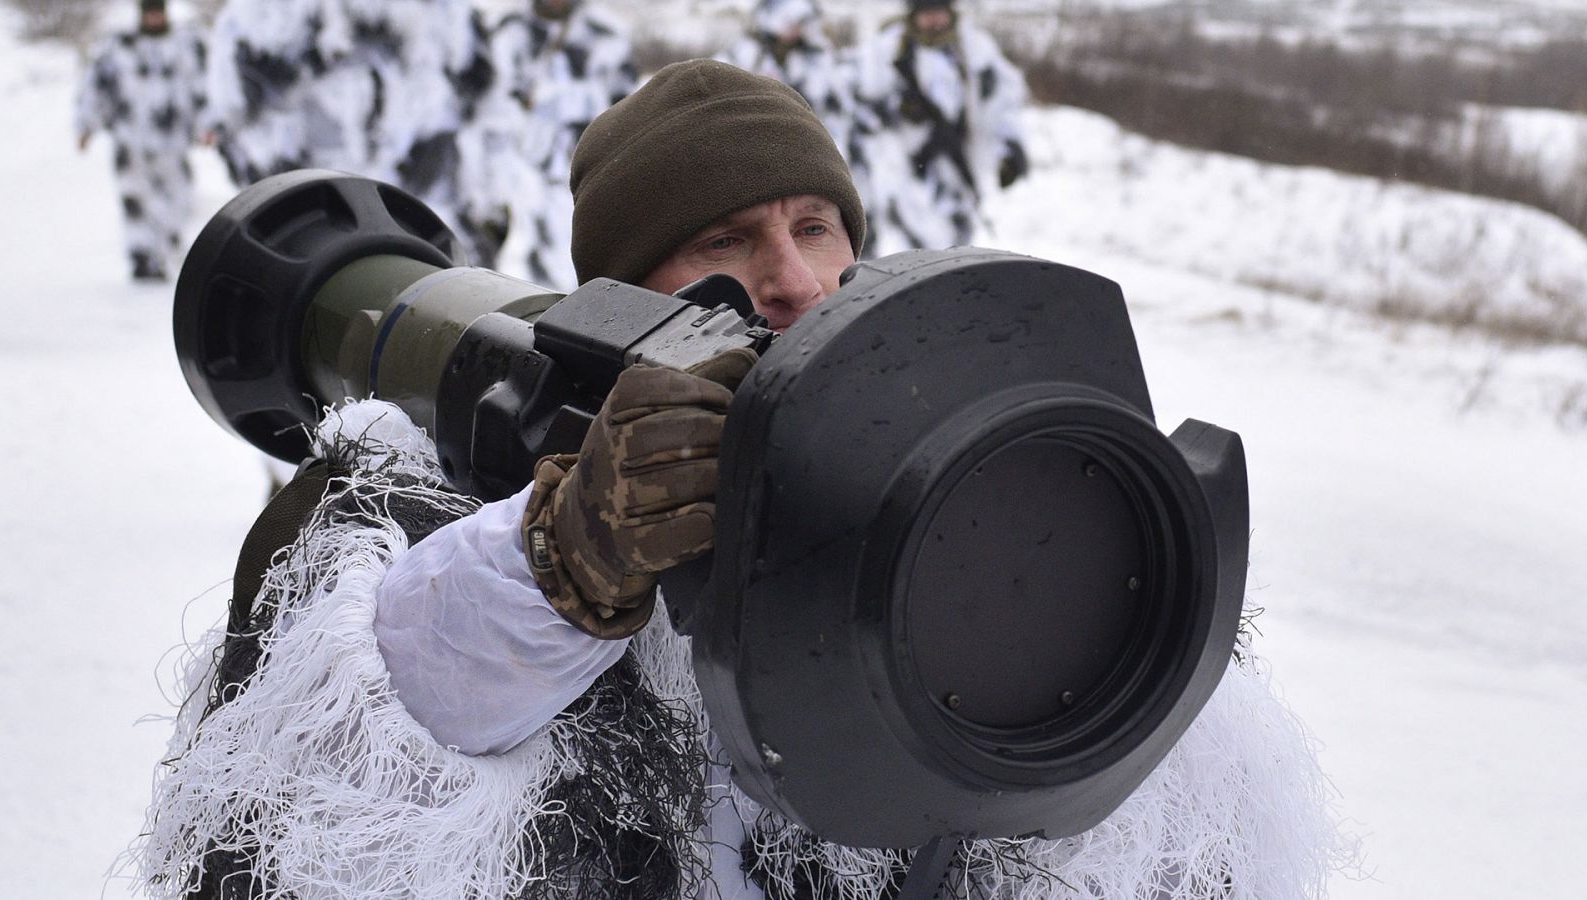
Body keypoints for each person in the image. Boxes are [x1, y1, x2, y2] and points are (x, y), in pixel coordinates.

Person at [134, 61, 1342, 900]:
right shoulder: (461, 516)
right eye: (720, 243)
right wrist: (571, 560)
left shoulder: (931, 464)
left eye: (815, 225)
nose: (792, 278)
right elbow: (371, 763)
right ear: (619, 298)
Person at [201, 0, 495, 256]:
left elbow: (472, 79)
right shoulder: (271, 14)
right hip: (318, 169)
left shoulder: (439, 14)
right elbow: (242, 96)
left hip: (402, 161)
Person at [851, 0, 1030, 256]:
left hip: (959, 167)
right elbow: (862, 103)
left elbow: (1003, 102)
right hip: (906, 171)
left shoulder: (974, 50)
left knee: (958, 248)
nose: (934, 20)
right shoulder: (888, 50)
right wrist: (891, 109)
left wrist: (1011, 146)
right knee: (911, 250)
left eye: (939, 11)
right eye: (927, 12)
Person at [485, 0, 638, 287]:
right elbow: (488, 106)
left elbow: (626, 111)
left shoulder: (606, 36)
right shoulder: (504, 31)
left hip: (581, 176)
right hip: (512, 173)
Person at [75, 0, 207, 281]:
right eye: (149, 13)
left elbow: (200, 88)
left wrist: (206, 125)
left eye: (158, 12)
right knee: (136, 200)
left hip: (173, 143)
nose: (154, 18)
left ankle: (168, 239)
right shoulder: (120, 48)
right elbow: (96, 85)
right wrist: (86, 125)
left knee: (176, 198)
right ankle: (142, 256)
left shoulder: (183, 47)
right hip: (131, 141)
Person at [717, 0, 858, 158]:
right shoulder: (748, 51)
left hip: (808, 143)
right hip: (753, 140)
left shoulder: (814, 55)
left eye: (800, 22)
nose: (794, 29)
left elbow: (835, 104)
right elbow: (719, 82)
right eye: (790, 21)